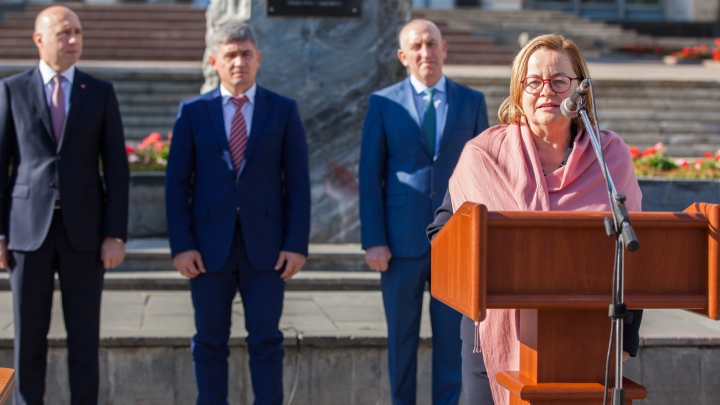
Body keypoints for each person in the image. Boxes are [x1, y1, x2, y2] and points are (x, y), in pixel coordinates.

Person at [426, 33, 643, 405]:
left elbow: (635, 248)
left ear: (581, 91)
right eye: (534, 81)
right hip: (491, 338)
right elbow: (442, 234)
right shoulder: (483, 155)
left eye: (560, 81)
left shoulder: (611, 156)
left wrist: (627, 337)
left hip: (589, 338)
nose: (547, 91)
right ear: (518, 92)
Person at [165, 22, 310, 405]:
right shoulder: (193, 112)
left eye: (246, 53)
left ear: (259, 58)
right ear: (214, 61)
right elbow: (177, 184)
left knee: (266, 341)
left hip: (268, 249)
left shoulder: (283, 110)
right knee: (209, 342)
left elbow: (297, 183)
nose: (239, 61)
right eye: (230, 54)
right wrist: (182, 245)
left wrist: (296, 245)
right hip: (207, 249)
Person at [0, 6, 129, 405]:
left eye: (77, 32)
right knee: (29, 336)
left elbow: (117, 170)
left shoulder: (99, 92)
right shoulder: (11, 89)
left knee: (84, 337)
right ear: (39, 40)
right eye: (63, 33)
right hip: (27, 231)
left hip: (85, 234)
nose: (73, 40)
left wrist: (115, 234)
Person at [359, 19, 489, 405]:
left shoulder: (471, 101)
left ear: (444, 49)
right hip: (398, 245)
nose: (425, 53)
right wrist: (374, 241)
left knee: (453, 344)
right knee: (401, 342)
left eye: (431, 44)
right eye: (416, 47)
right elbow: (370, 177)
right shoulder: (382, 103)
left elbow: (484, 175)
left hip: (456, 243)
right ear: (403, 56)